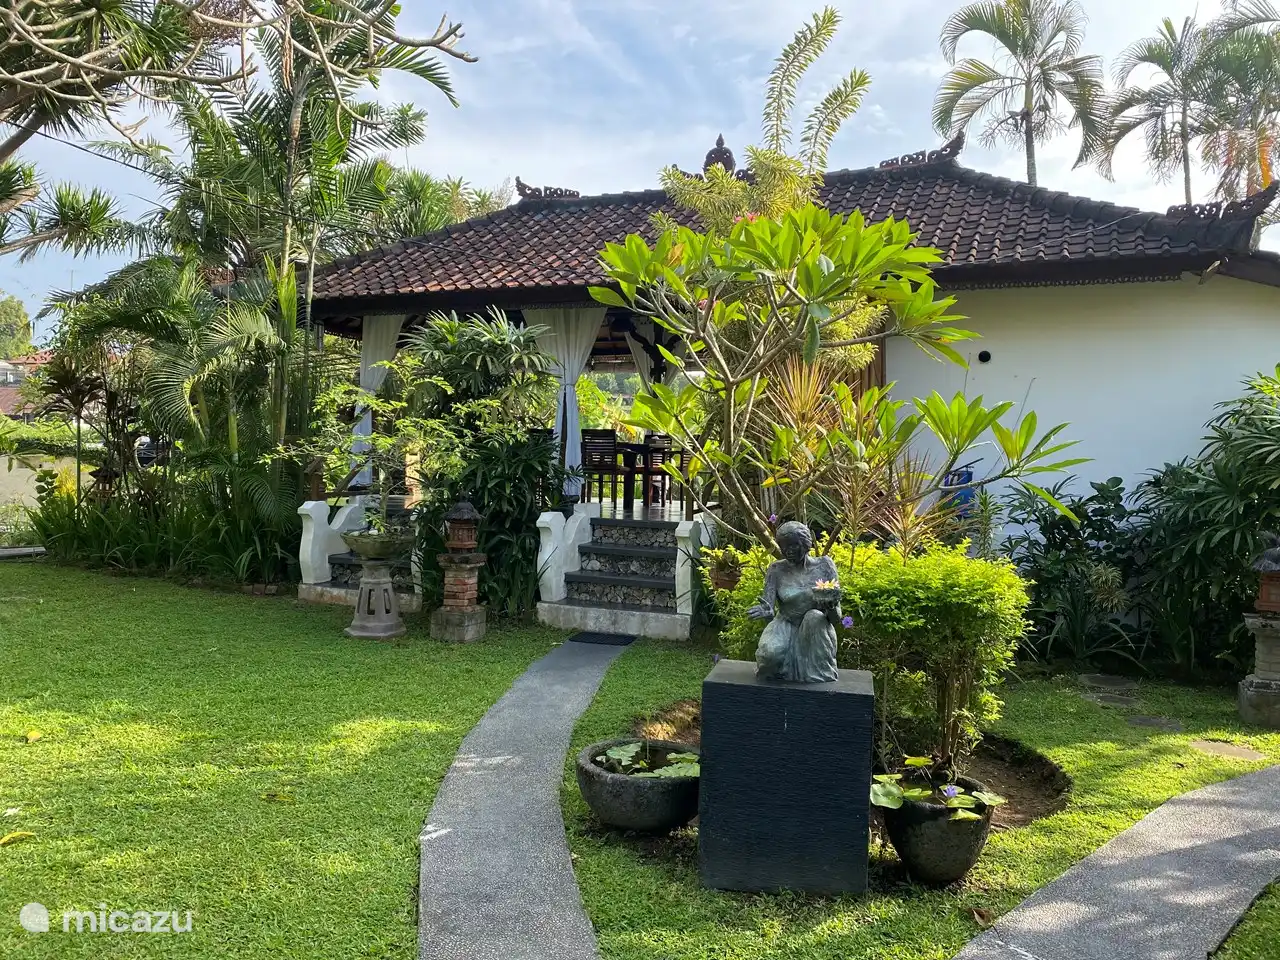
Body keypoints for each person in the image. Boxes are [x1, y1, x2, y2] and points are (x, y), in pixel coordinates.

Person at [747, 520, 841, 683]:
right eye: (784, 547)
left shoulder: (825, 565)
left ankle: (813, 673)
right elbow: (767, 605)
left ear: (805, 544)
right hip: (785, 623)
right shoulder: (776, 569)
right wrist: (767, 613)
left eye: (793, 545)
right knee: (769, 657)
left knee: (814, 616)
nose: (788, 551)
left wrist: (831, 607)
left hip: (815, 628)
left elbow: (837, 618)